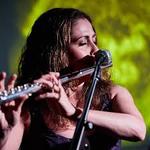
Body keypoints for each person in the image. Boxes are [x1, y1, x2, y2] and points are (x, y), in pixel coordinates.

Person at [0, 8, 146, 150]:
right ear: (57, 53)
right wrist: (5, 132)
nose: (96, 50)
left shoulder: (113, 94)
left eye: (94, 40)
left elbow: (138, 131)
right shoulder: (29, 107)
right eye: (83, 43)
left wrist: (73, 112)